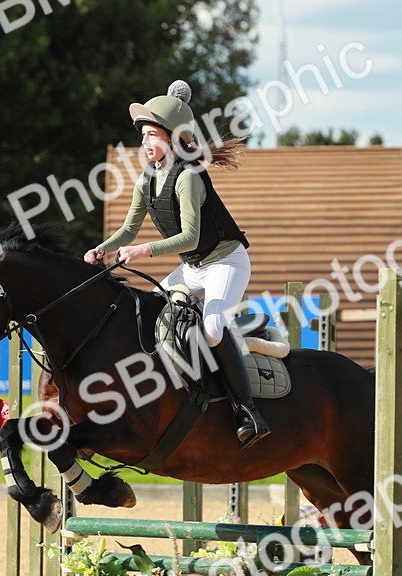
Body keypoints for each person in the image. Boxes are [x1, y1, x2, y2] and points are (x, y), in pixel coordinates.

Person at [84, 80, 271, 449]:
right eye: (143, 137)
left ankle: (248, 411)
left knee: (214, 329)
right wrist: (101, 249)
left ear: (173, 138)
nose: (145, 143)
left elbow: (189, 237)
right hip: (193, 267)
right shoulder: (146, 181)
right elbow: (128, 229)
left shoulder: (188, 178)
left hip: (225, 263)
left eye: (152, 135)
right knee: (155, 314)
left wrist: (144, 252)